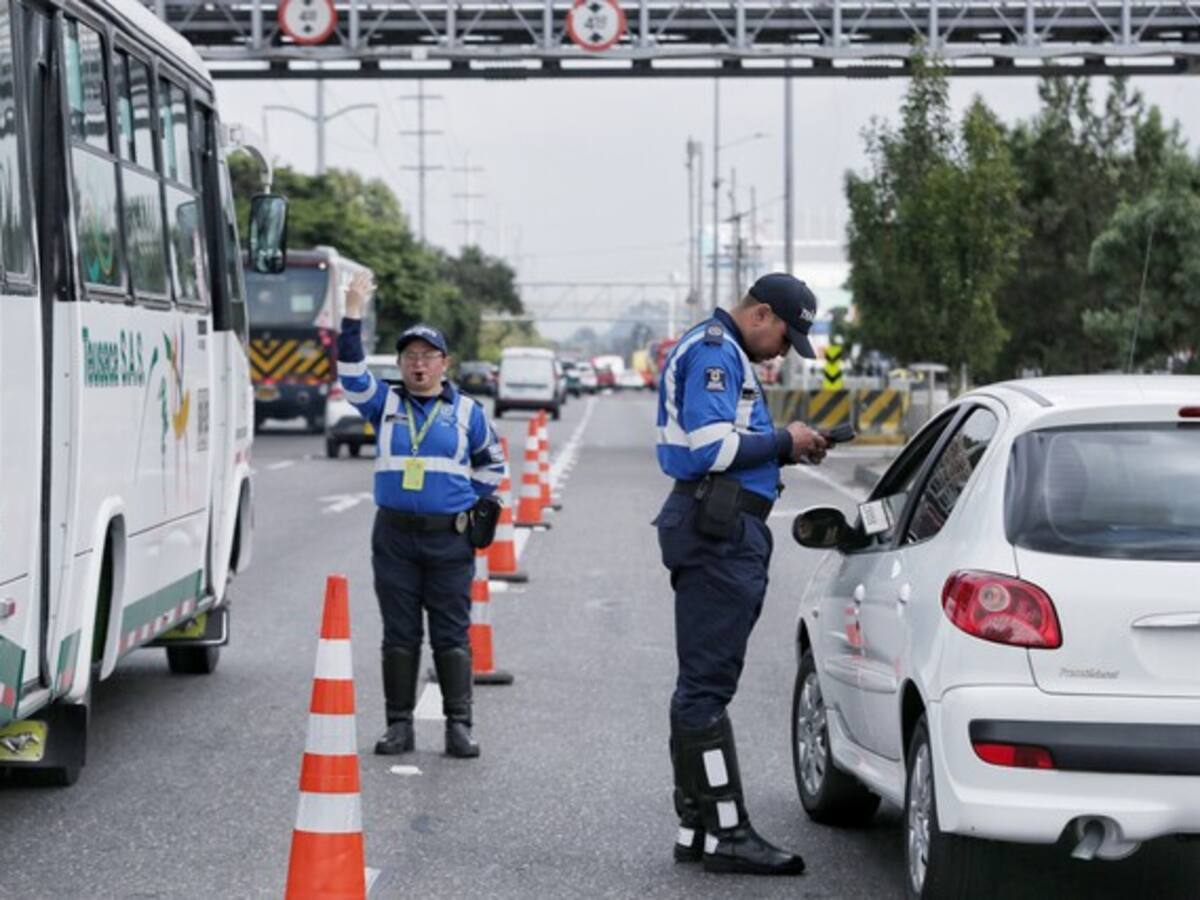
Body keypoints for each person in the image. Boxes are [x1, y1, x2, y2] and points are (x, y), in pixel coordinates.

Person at [654, 273, 829, 876]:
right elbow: (709, 446)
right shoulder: (715, 353)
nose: (784, 350)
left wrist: (789, 446)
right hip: (719, 534)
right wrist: (786, 440)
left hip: (721, 529)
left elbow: (730, 439)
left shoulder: (722, 349)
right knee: (705, 692)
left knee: (699, 687)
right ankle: (728, 833)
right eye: (785, 336)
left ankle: (696, 827)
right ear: (760, 314)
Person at [337, 271, 507, 759]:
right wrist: (352, 312)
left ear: (443, 364)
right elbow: (349, 371)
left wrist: (466, 504)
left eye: (427, 357)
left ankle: (459, 726)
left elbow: (493, 464)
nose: (418, 365)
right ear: (400, 363)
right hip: (393, 538)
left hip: (448, 541)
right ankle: (399, 727)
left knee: (451, 634)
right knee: (400, 634)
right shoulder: (384, 404)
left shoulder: (468, 413)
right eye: (410, 356)